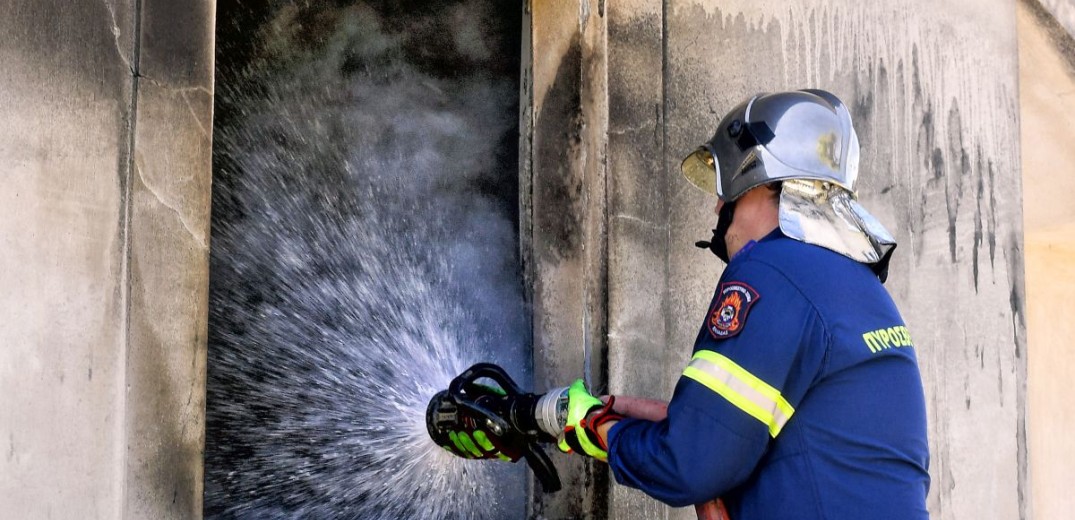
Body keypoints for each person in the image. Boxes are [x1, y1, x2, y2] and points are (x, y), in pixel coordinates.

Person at [440, 89, 930, 519]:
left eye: (725, 190)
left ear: (760, 180)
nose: (718, 208)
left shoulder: (771, 272)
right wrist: (586, 419)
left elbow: (688, 464)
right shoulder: (861, 290)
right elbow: (725, 430)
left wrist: (582, 420)